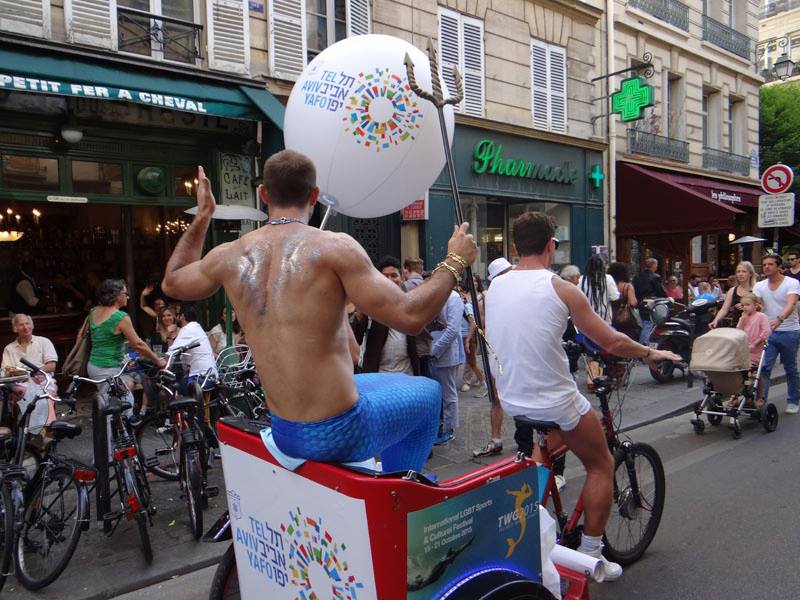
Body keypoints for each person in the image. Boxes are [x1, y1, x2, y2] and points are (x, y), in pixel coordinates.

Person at [160, 151, 477, 473]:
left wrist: (203, 216)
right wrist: (455, 262)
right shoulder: (334, 247)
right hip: (337, 432)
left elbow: (172, 282)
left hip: (284, 428)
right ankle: (399, 493)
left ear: (264, 194)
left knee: (377, 383)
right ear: (314, 195)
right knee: (429, 392)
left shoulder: (227, 255)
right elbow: (411, 317)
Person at [484, 211, 680, 580]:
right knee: (601, 463)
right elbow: (611, 340)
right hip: (553, 399)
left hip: (512, 398)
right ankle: (593, 554)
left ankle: (536, 521)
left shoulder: (496, 285)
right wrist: (651, 352)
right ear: (550, 246)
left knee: (548, 448)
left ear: (513, 248)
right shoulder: (561, 288)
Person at [83, 279, 166, 422]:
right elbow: (138, 344)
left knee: (113, 401)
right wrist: (157, 360)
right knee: (124, 401)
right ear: (116, 295)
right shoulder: (120, 317)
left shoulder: (93, 312)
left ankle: (120, 435)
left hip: (94, 366)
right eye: (125, 293)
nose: (127, 297)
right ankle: (115, 439)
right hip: (108, 368)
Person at [472, 257, 513, 458]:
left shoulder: (516, 293)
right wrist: (471, 337)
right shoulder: (487, 297)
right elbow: (478, 321)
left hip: (512, 350)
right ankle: (496, 439)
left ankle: (528, 437)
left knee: (517, 394)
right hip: (496, 351)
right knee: (497, 397)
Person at [351, 256, 419, 376]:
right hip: (379, 375)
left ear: (402, 278)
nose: (390, 280)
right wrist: (359, 316)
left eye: (394, 275)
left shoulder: (411, 303)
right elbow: (356, 338)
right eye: (385, 276)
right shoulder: (370, 306)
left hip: (407, 373)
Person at [753, 255, 800, 414]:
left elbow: (791, 303)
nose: (766, 267)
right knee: (764, 367)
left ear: (779, 267)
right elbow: (758, 305)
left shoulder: (792, 283)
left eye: (770, 264)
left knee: (790, 368)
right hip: (768, 333)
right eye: (764, 264)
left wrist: (779, 319)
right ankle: (761, 402)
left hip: (789, 331)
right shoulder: (759, 285)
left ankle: (793, 400)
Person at [1, 313, 57, 434]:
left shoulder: (44, 342)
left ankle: (47, 430)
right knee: (28, 394)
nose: (25, 327)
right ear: (15, 328)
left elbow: (51, 366)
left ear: (32, 326)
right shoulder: (9, 349)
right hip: (20, 384)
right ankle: (38, 431)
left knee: (45, 395)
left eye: (27, 324)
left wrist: (34, 373)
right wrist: (27, 376)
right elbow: (5, 372)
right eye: (21, 325)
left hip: (43, 380)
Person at [430, 288, 466, 446]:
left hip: (444, 353)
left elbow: (452, 329)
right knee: (436, 392)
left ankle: (449, 428)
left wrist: (435, 350)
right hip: (430, 351)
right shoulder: (436, 294)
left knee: (448, 392)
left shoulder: (454, 297)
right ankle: (438, 424)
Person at [171, 303, 218, 392]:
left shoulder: (187, 329)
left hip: (200, 377)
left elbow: (171, 352)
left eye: (177, 315)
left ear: (182, 316)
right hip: (211, 375)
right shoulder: (197, 327)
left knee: (176, 388)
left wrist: (160, 362)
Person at [735, 293, 770, 405]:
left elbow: (766, 331)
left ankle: (759, 397)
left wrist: (756, 342)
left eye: (748, 304)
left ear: (755, 305)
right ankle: (736, 396)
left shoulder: (761, 316)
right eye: (743, 305)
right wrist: (742, 320)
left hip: (756, 350)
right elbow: (738, 331)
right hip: (745, 350)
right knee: (740, 374)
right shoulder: (743, 317)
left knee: (756, 374)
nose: (745, 307)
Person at [710, 261, 756, 329]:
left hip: (753, 326)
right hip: (736, 325)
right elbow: (724, 309)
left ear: (750, 274)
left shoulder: (756, 289)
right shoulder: (732, 290)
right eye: (738, 272)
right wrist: (716, 320)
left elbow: (761, 308)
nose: (740, 274)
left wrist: (745, 306)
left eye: (744, 271)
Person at [632, 258, 667, 345]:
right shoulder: (655, 277)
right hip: (650, 303)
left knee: (642, 324)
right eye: (656, 265)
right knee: (648, 323)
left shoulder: (637, 277)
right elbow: (660, 291)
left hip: (639, 303)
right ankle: (643, 344)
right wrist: (666, 298)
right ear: (653, 265)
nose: (657, 266)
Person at [579, 255, 619, 325]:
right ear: (603, 266)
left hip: (586, 319)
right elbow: (615, 297)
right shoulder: (608, 279)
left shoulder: (581, 280)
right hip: (604, 319)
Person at [459, 286, 484, 392]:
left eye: (460, 293)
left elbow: (473, 323)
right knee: (471, 361)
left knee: (472, 362)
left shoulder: (467, 306)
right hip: (463, 336)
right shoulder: (462, 305)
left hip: (467, 336)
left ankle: (485, 382)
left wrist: (468, 339)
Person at [608, 261, 640, 341]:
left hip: (610, 316)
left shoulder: (608, 285)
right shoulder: (627, 286)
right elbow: (632, 302)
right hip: (625, 321)